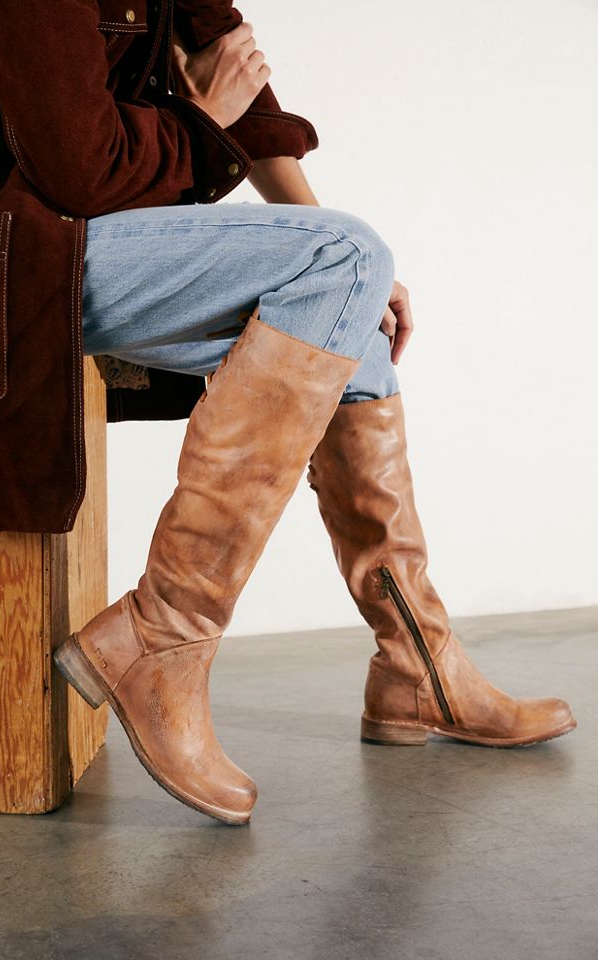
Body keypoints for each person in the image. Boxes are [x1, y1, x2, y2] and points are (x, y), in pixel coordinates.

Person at [48, 17, 577, 825]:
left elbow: (242, 91)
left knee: (351, 307)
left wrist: (340, 264)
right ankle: (162, 633)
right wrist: (202, 126)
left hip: (97, 240)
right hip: (12, 253)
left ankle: (416, 664)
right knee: (347, 258)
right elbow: (77, 168)